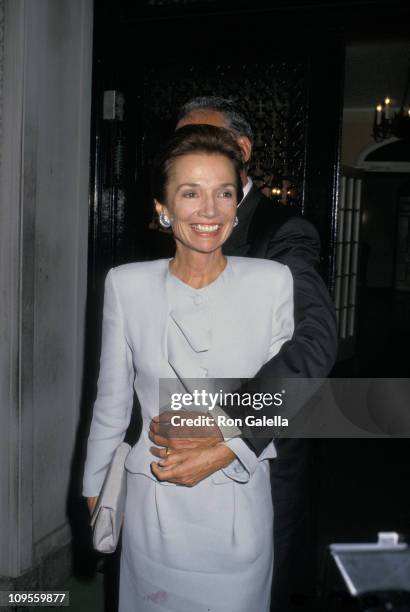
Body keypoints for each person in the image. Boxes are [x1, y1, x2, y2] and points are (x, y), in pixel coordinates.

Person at [82, 124, 295, 612]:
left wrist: (224, 444)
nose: (210, 211)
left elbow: (294, 395)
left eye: (224, 193)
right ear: (163, 207)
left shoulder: (272, 282)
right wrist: (95, 484)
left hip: (239, 502)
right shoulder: (126, 285)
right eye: (190, 193)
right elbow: (112, 398)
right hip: (154, 502)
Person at [148, 97, 338, 611]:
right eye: (180, 145)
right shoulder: (179, 216)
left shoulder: (282, 231)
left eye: (201, 139)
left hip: (263, 453)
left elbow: (315, 342)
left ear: (243, 150)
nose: (188, 154)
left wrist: (229, 426)